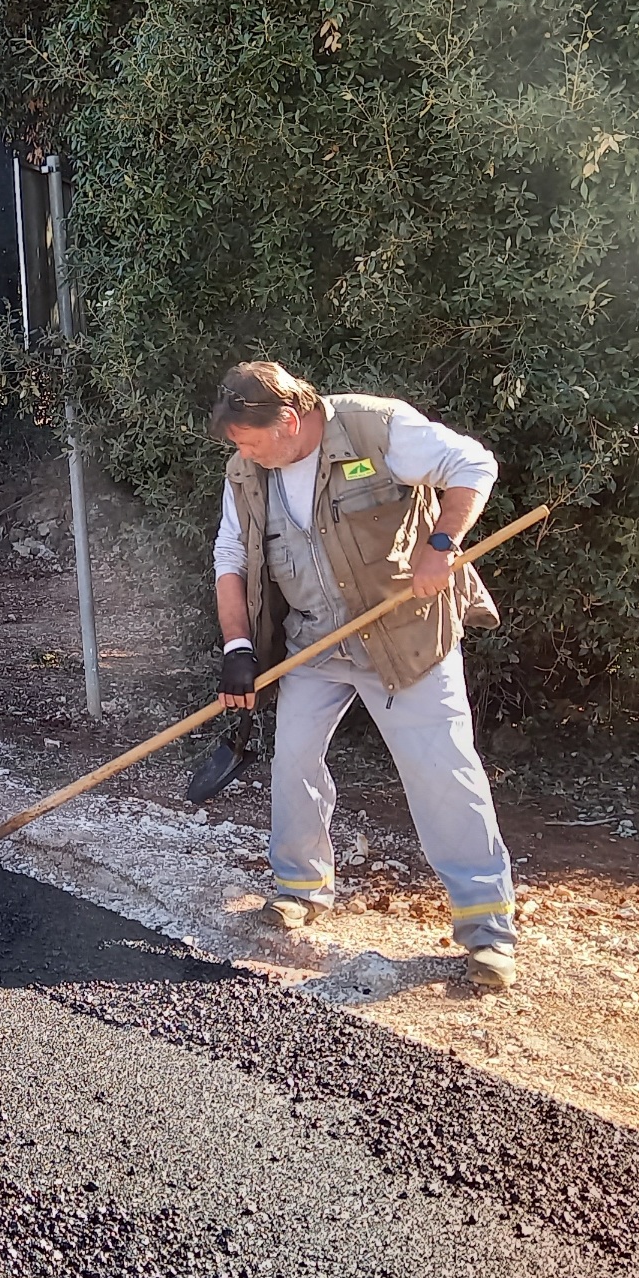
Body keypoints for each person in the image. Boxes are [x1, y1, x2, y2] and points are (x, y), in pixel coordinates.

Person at [208, 360, 521, 989]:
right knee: (293, 757)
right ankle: (300, 887)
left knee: (442, 770)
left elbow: (473, 466)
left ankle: (487, 929)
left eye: (248, 438)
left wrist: (441, 546)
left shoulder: (375, 429)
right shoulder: (247, 470)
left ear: (290, 421)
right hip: (315, 641)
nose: (240, 451)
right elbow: (231, 555)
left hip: (403, 637)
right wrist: (238, 646)